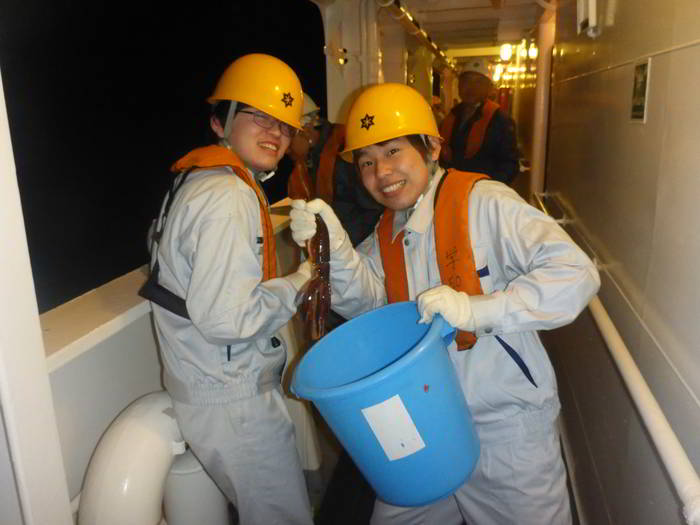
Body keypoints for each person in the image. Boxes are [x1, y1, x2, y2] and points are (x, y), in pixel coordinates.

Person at [289, 82, 600, 525]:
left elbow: (575, 273)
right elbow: (370, 303)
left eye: (393, 151)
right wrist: (335, 249)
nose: (381, 172)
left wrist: (477, 311)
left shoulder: (484, 202)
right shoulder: (388, 230)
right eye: (367, 161)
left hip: (503, 427)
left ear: (432, 148)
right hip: (426, 419)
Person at [142, 53, 314, 525]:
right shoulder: (228, 195)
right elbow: (227, 320)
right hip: (232, 398)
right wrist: (302, 280)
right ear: (221, 122)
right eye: (259, 116)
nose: (276, 132)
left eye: (284, 124)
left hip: (205, 384)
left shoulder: (195, 181)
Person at [287, 94, 383, 247]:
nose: (286, 150)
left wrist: (337, 245)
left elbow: (373, 211)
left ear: (306, 131)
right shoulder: (313, 157)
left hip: (359, 248)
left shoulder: (343, 151)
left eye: (288, 140)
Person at [439, 70, 519, 184]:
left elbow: (509, 164)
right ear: (459, 86)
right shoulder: (451, 117)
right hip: (453, 186)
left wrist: (489, 188)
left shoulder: (500, 120)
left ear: (488, 88)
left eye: (478, 82)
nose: (471, 87)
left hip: (484, 188)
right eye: (466, 81)